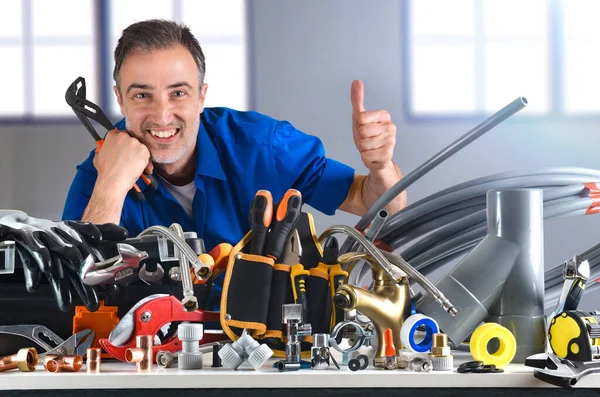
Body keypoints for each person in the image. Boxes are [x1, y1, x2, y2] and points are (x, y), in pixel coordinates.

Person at [62, 19, 406, 304]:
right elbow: (76, 291)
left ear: (202, 97)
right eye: (142, 96)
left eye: (178, 93)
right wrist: (113, 183)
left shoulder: (261, 145)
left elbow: (377, 205)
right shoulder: (99, 176)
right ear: (120, 101)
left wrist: (381, 167)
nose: (162, 115)